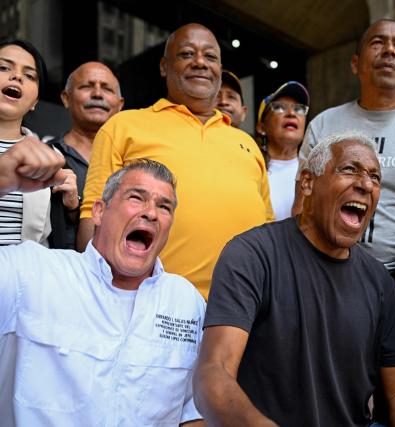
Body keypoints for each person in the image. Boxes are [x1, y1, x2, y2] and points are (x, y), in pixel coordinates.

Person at [194, 132, 395, 426]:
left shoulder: (378, 281)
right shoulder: (252, 255)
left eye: (375, 177)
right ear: (307, 182)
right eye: (349, 169)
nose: (365, 184)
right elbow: (213, 374)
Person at [0, 155, 206, 426]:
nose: (151, 213)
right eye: (136, 197)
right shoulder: (31, 272)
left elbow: (193, 410)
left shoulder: (186, 302)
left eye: (164, 206)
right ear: (98, 211)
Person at [77, 23, 274, 298]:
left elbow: (268, 230)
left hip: (244, 313)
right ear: (163, 66)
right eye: (187, 54)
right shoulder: (123, 126)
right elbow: (93, 215)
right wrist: (95, 297)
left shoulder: (248, 144)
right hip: (150, 311)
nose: (200, 63)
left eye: (210, 56)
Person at [293, 18, 395, 274]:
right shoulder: (323, 124)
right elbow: (303, 206)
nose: (389, 50)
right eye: (378, 42)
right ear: (355, 63)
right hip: (324, 270)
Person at [47, 61, 124, 249]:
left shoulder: (134, 162)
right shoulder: (46, 157)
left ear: (120, 105)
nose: (97, 94)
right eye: (86, 86)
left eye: (107, 89)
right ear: (66, 98)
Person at [0, 38, 68, 246]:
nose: (17, 76)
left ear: (35, 102)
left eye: (29, 75)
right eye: (4, 67)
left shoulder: (50, 159)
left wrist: (72, 206)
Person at [256, 81, 309, 220]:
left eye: (299, 109)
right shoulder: (252, 168)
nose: (291, 113)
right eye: (279, 107)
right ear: (261, 127)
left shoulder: (316, 171)